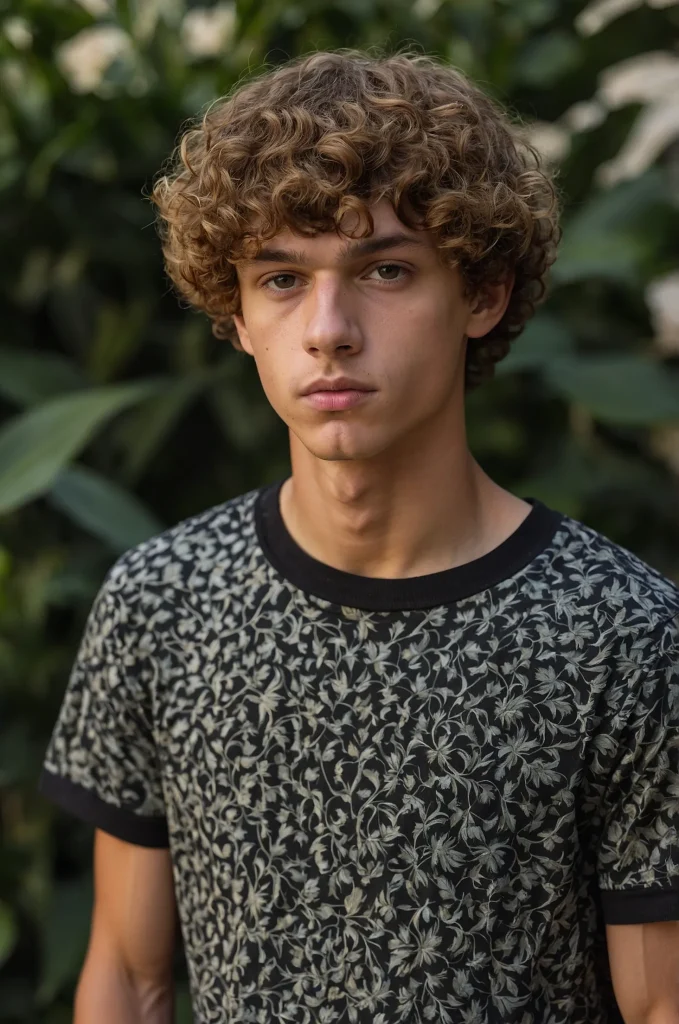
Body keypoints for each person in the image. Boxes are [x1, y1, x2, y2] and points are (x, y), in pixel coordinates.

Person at [38, 48, 679, 1024]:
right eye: (283, 277)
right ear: (238, 313)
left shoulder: (621, 635)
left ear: (482, 293)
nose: (329, 328)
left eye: (384, 269)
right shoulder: (162, 603)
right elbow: (128, 978)